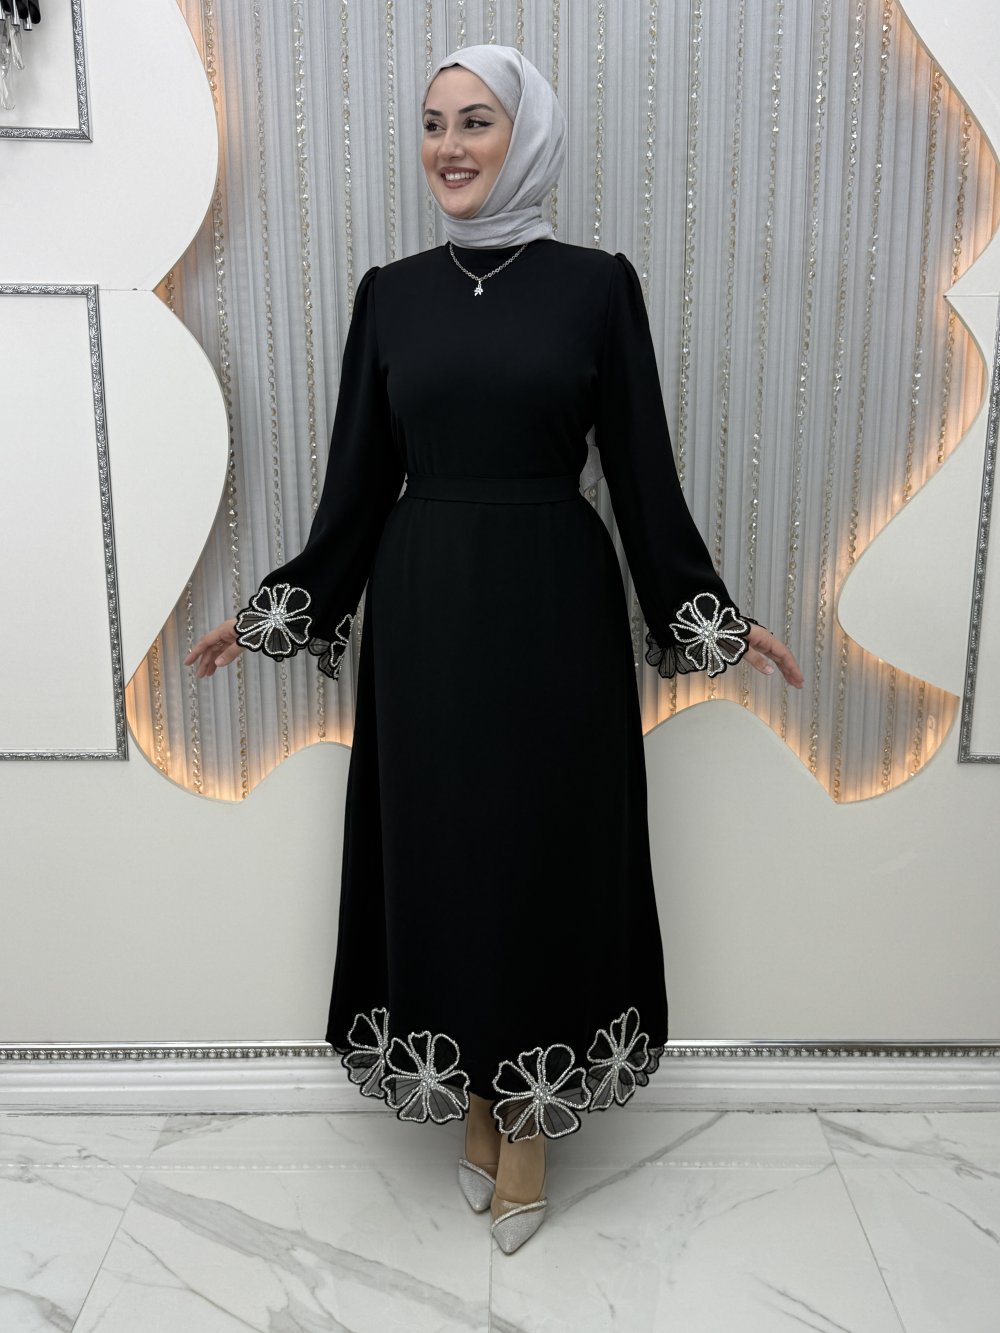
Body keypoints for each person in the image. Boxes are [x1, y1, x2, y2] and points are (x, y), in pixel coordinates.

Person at [186, 44, 804, 1255]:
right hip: (424, 617)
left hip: (553, 612)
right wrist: (275, 609)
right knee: (443, 854)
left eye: (475, 121)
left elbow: (642, 474)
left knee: (542, 855)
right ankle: (470, 1091)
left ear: (525, 136)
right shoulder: (390, 295)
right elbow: (354, 489)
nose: (450, 147)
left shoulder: (595, 288)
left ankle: (526, 1112)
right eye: (432, 124)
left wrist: (710, 615)